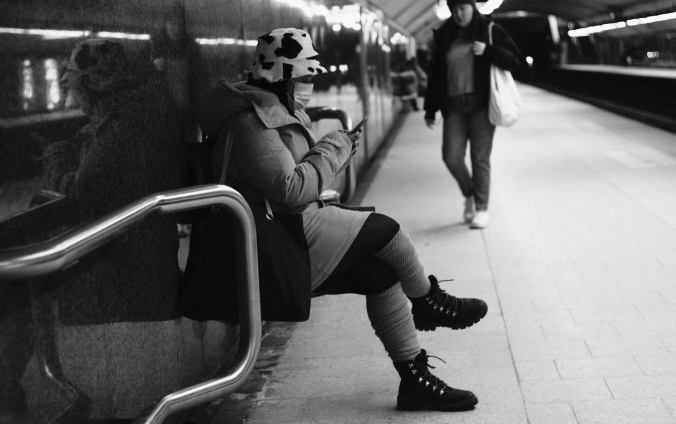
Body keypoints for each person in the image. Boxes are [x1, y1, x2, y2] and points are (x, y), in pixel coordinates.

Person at [200, 28, 489, 412]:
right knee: (387, 231)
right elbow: (290, 189)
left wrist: (334, 151)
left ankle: (414, 382)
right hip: (274, 248)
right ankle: (430, 301)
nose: (309, 87)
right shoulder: (251, 124)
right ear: (280, 76)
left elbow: (293, 182)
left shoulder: (276, 112)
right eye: (303, 78)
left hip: (290, 233)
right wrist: (334, 147)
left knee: (381, 276)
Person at [42, 38, 181, 323]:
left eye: (77, 87)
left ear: (94, 85)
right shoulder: (145, 110)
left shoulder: (119, 125)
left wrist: (58, 163)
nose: (77, 99)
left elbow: (85, 191)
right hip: (149, 259)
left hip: (123, 270)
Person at [424, 0, 522, 229]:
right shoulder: (444, 37)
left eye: (463, 8)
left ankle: (481, 208)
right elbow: (436, 75)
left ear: (472, 7)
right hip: (454, 107)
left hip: (481, 105)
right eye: (454, 10)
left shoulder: (489, 30)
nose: (459, 14)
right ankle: (468, 192)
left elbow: (515, 60)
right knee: (451, 156)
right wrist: (430, 108)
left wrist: (489, 51)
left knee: (480, 158)